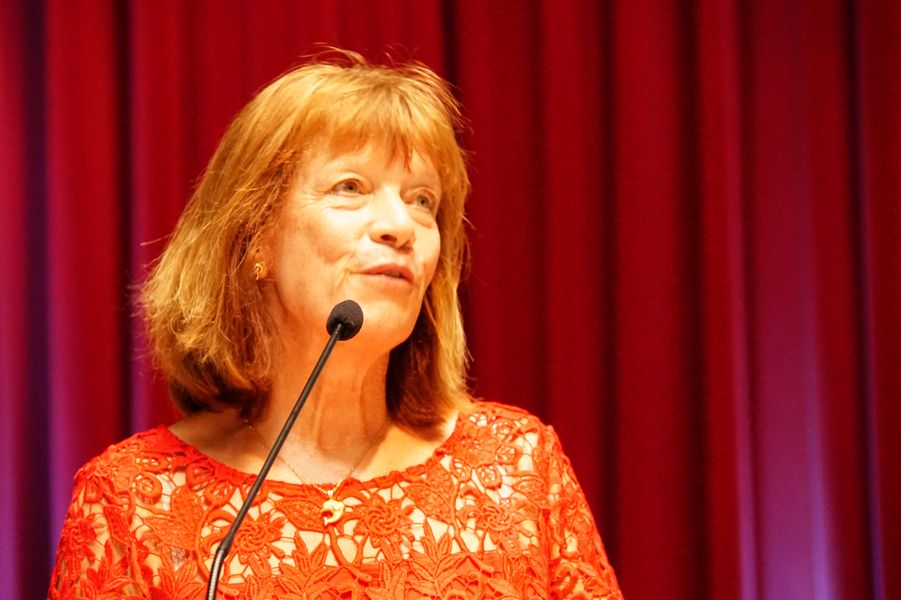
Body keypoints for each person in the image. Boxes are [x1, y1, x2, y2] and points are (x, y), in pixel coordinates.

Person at [48, 49, 623, 599]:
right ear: (256, 239)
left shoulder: (518, 469)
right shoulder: (132, 503)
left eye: (422, 200)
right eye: (351, 188)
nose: (401, 225)